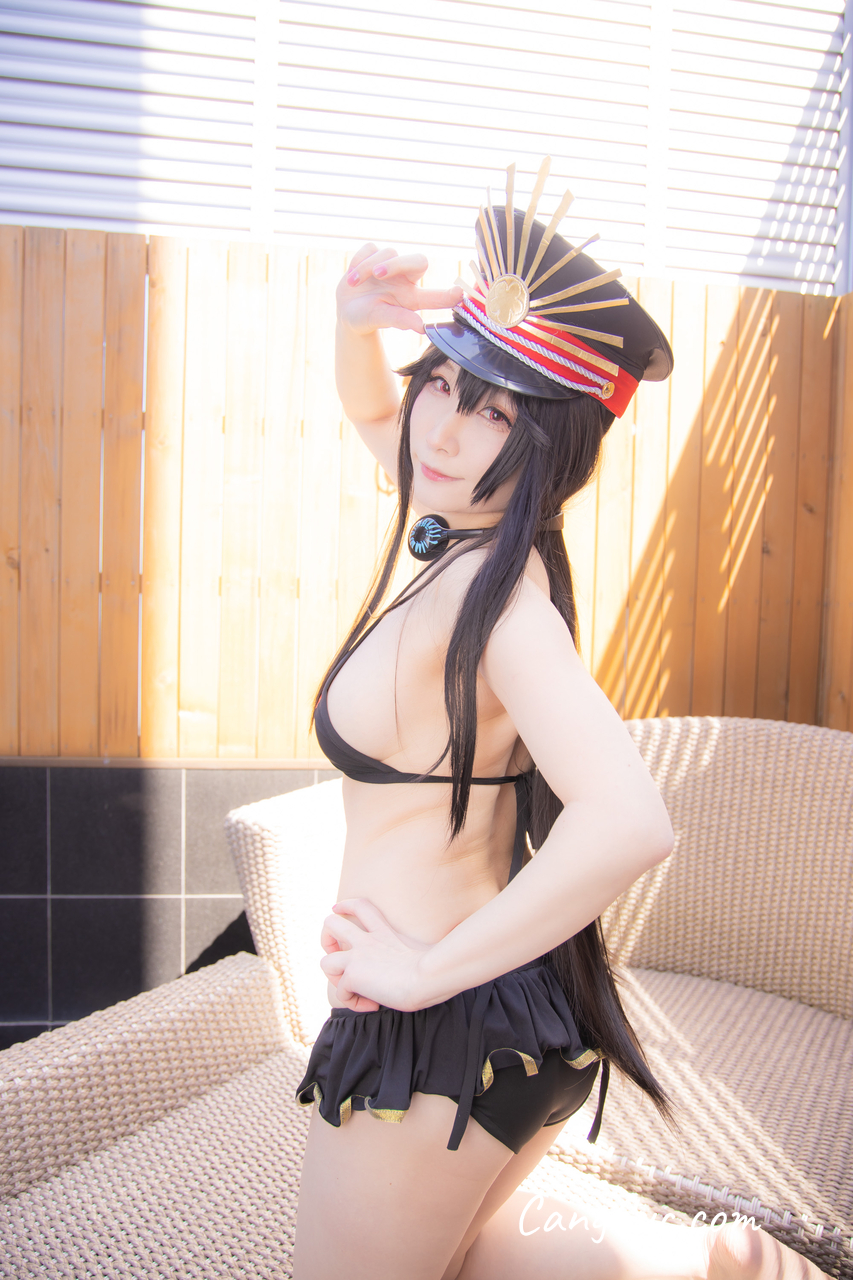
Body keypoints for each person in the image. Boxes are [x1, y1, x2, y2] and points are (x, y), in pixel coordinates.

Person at [291, 162, 828, 1280]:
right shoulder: (467, 527)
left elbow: (631, 822)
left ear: (546, 446)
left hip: (435, 1027)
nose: (442, 428)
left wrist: (423, 974)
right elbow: (377, 412)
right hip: (504, 1015)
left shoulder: (500, 603)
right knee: (469, 1259)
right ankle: (718, 1263)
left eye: (493, 411)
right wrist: (354, 323)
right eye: (443, 381)